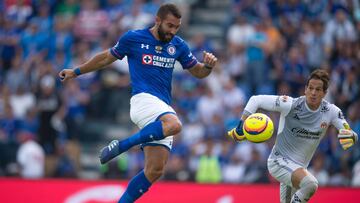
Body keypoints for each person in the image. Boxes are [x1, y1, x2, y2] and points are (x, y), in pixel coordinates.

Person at [59, 3, 217, 203]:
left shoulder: (178, 45)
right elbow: (104, 59)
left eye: (176, 27)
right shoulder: (133, 38)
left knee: (154, 171)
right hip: (143, 100)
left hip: (162, 107)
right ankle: (122, 146)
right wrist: (76, 71)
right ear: (157, 20)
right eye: (169, 25)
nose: (173, 31)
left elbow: (198, 72)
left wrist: (208, 67)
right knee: (175, 125)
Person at [227, 69, 358, 203]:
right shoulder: (290, 104)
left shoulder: (332, 111)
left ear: (324, 93)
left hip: (297, 169)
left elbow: (349, 131)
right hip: (279, 161)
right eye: (311, 88)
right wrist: (240, 127)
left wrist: (352, 137)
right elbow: (256, 100)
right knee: (310, 184)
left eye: (318, 90)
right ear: (305, 89)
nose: (313, 93)